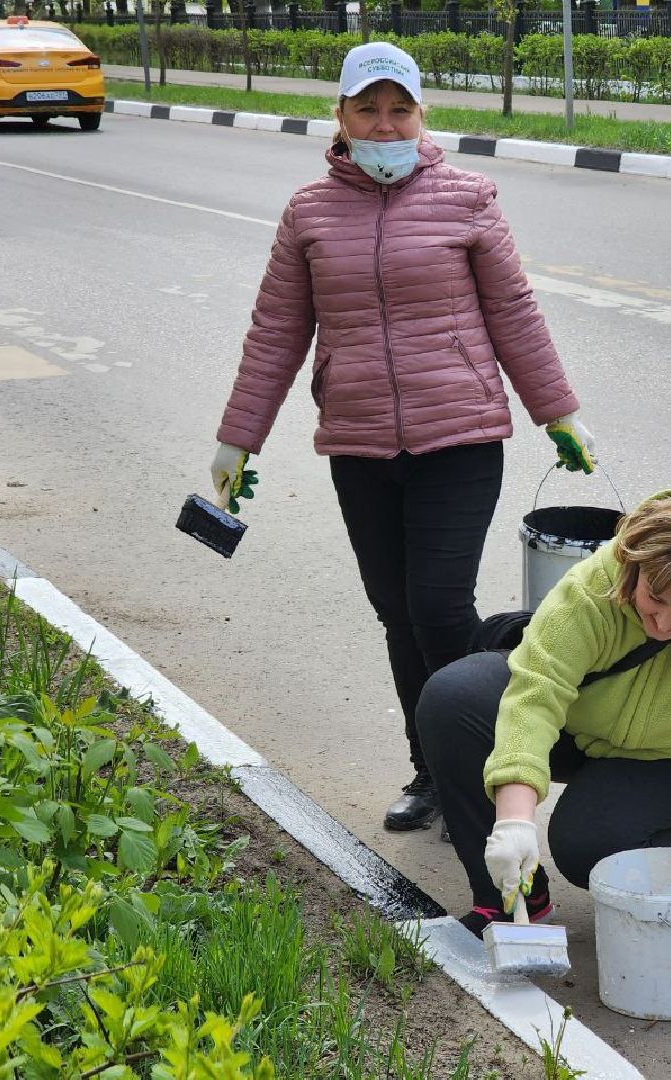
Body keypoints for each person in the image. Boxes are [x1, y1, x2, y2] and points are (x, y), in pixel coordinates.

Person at [210, 42, 595, 835]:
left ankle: (482, 770)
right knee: (396, 611)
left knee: (438, 606)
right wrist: (238, 438)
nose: (384, 124)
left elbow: (514, 312)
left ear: (422, 115)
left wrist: (557, 413)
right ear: (341, 118)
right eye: (367, 109)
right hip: (358, 444)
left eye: (400, 109)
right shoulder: (309, 212)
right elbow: (277, 330)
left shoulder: (467, 197)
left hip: (459, 436)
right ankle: (430, 768)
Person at [416, 491, 671, 935]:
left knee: (589, 848)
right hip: (584, 725)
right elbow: (537, 693)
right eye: (654, 597)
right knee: (454, 699)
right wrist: (514, 821)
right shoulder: (595, 586)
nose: (663, 623)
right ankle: (511, 897)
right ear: (634, 568)